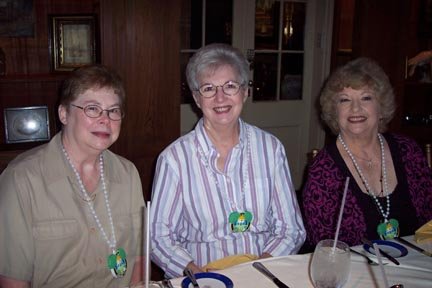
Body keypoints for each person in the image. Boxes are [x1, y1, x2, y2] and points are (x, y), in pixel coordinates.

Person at [151, 43, 306, 278]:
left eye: (230, 86)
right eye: (208, 88)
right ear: (196, 98)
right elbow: (158, 237)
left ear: (245, 92)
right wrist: (197, 274)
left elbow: (291, 229)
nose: (220, 97)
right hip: (203, 275)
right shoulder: (174, 159)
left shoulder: (271, 149)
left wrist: (258, 270)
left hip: (264, 271)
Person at [0, 65, 145, 287]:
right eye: (92, 108)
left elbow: (138, 258)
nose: (105, 119)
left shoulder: (128, 174)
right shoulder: (21, 180)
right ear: (64, 114)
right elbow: (13, 280)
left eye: (113, 110)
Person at [302, 57, 432, 247]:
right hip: (358, 271)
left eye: (366, 97)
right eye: (344, 100)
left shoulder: (407, 151)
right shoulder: (323, 171)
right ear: (334, 111)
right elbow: (327, 245)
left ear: (381, 107)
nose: (355, 108)